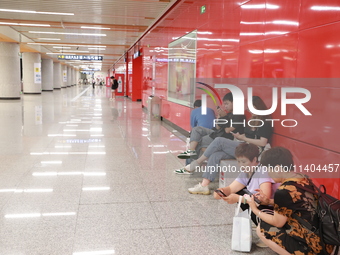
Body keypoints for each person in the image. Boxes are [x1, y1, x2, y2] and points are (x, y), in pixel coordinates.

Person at [247, 147, 334, 255]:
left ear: (278, 168)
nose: (268, 174)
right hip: (325, 242)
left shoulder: (283, 191)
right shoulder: (302, 178)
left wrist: (255, 210)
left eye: (268, 170)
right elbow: (297, 202)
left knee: (262, 228)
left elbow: (277, 222)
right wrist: (268, 201)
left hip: (312, 248)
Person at [182, 96, 272, 195]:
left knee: (219, 141)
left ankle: (197, 162)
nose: (248, 110)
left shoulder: (265, 122)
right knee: (216, 155)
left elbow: (263, 142)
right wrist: (240, 136)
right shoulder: (253, 120)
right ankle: (204, 185)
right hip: (244, 145)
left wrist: (243, 138)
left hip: (253, 150)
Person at [175, 92, 245, 162]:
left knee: (198, 141)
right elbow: (218, 127)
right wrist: (219, 117)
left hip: (225, 136)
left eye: (227, 103)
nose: (225, 106)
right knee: (197, 129)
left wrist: (224, 117)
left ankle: (191, 164)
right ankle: (192, 151)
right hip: (218, 132)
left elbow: (227, 130)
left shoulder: (239, 115)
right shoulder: (229, 114)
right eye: (224, 104)